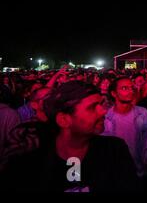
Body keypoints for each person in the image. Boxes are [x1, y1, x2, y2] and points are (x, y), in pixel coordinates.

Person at [0, 81, 139, 192]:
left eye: (101, 104)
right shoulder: (30, 160)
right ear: (64, 120)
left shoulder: (114, 150)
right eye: (92, 107)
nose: (103, 111)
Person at [103, 77, 147, 178]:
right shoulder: (106, 117)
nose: (130, 91)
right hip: (115, 173)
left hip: (139, 171)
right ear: (114, 93)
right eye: (125, 88)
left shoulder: (142, 113)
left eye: (131, 88)